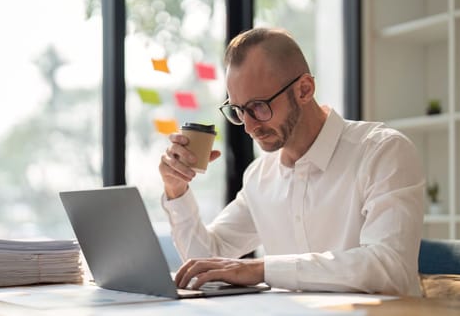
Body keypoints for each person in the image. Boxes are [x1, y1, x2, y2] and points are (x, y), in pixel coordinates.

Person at [158, 27, 424, 296]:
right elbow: (207, 260)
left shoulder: (382, 152)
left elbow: (390, 268)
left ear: (304, 89)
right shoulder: (259, 176)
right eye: (238, 111)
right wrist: (176, 189)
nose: (248, 127)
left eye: (259, 106)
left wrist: (261, 270)